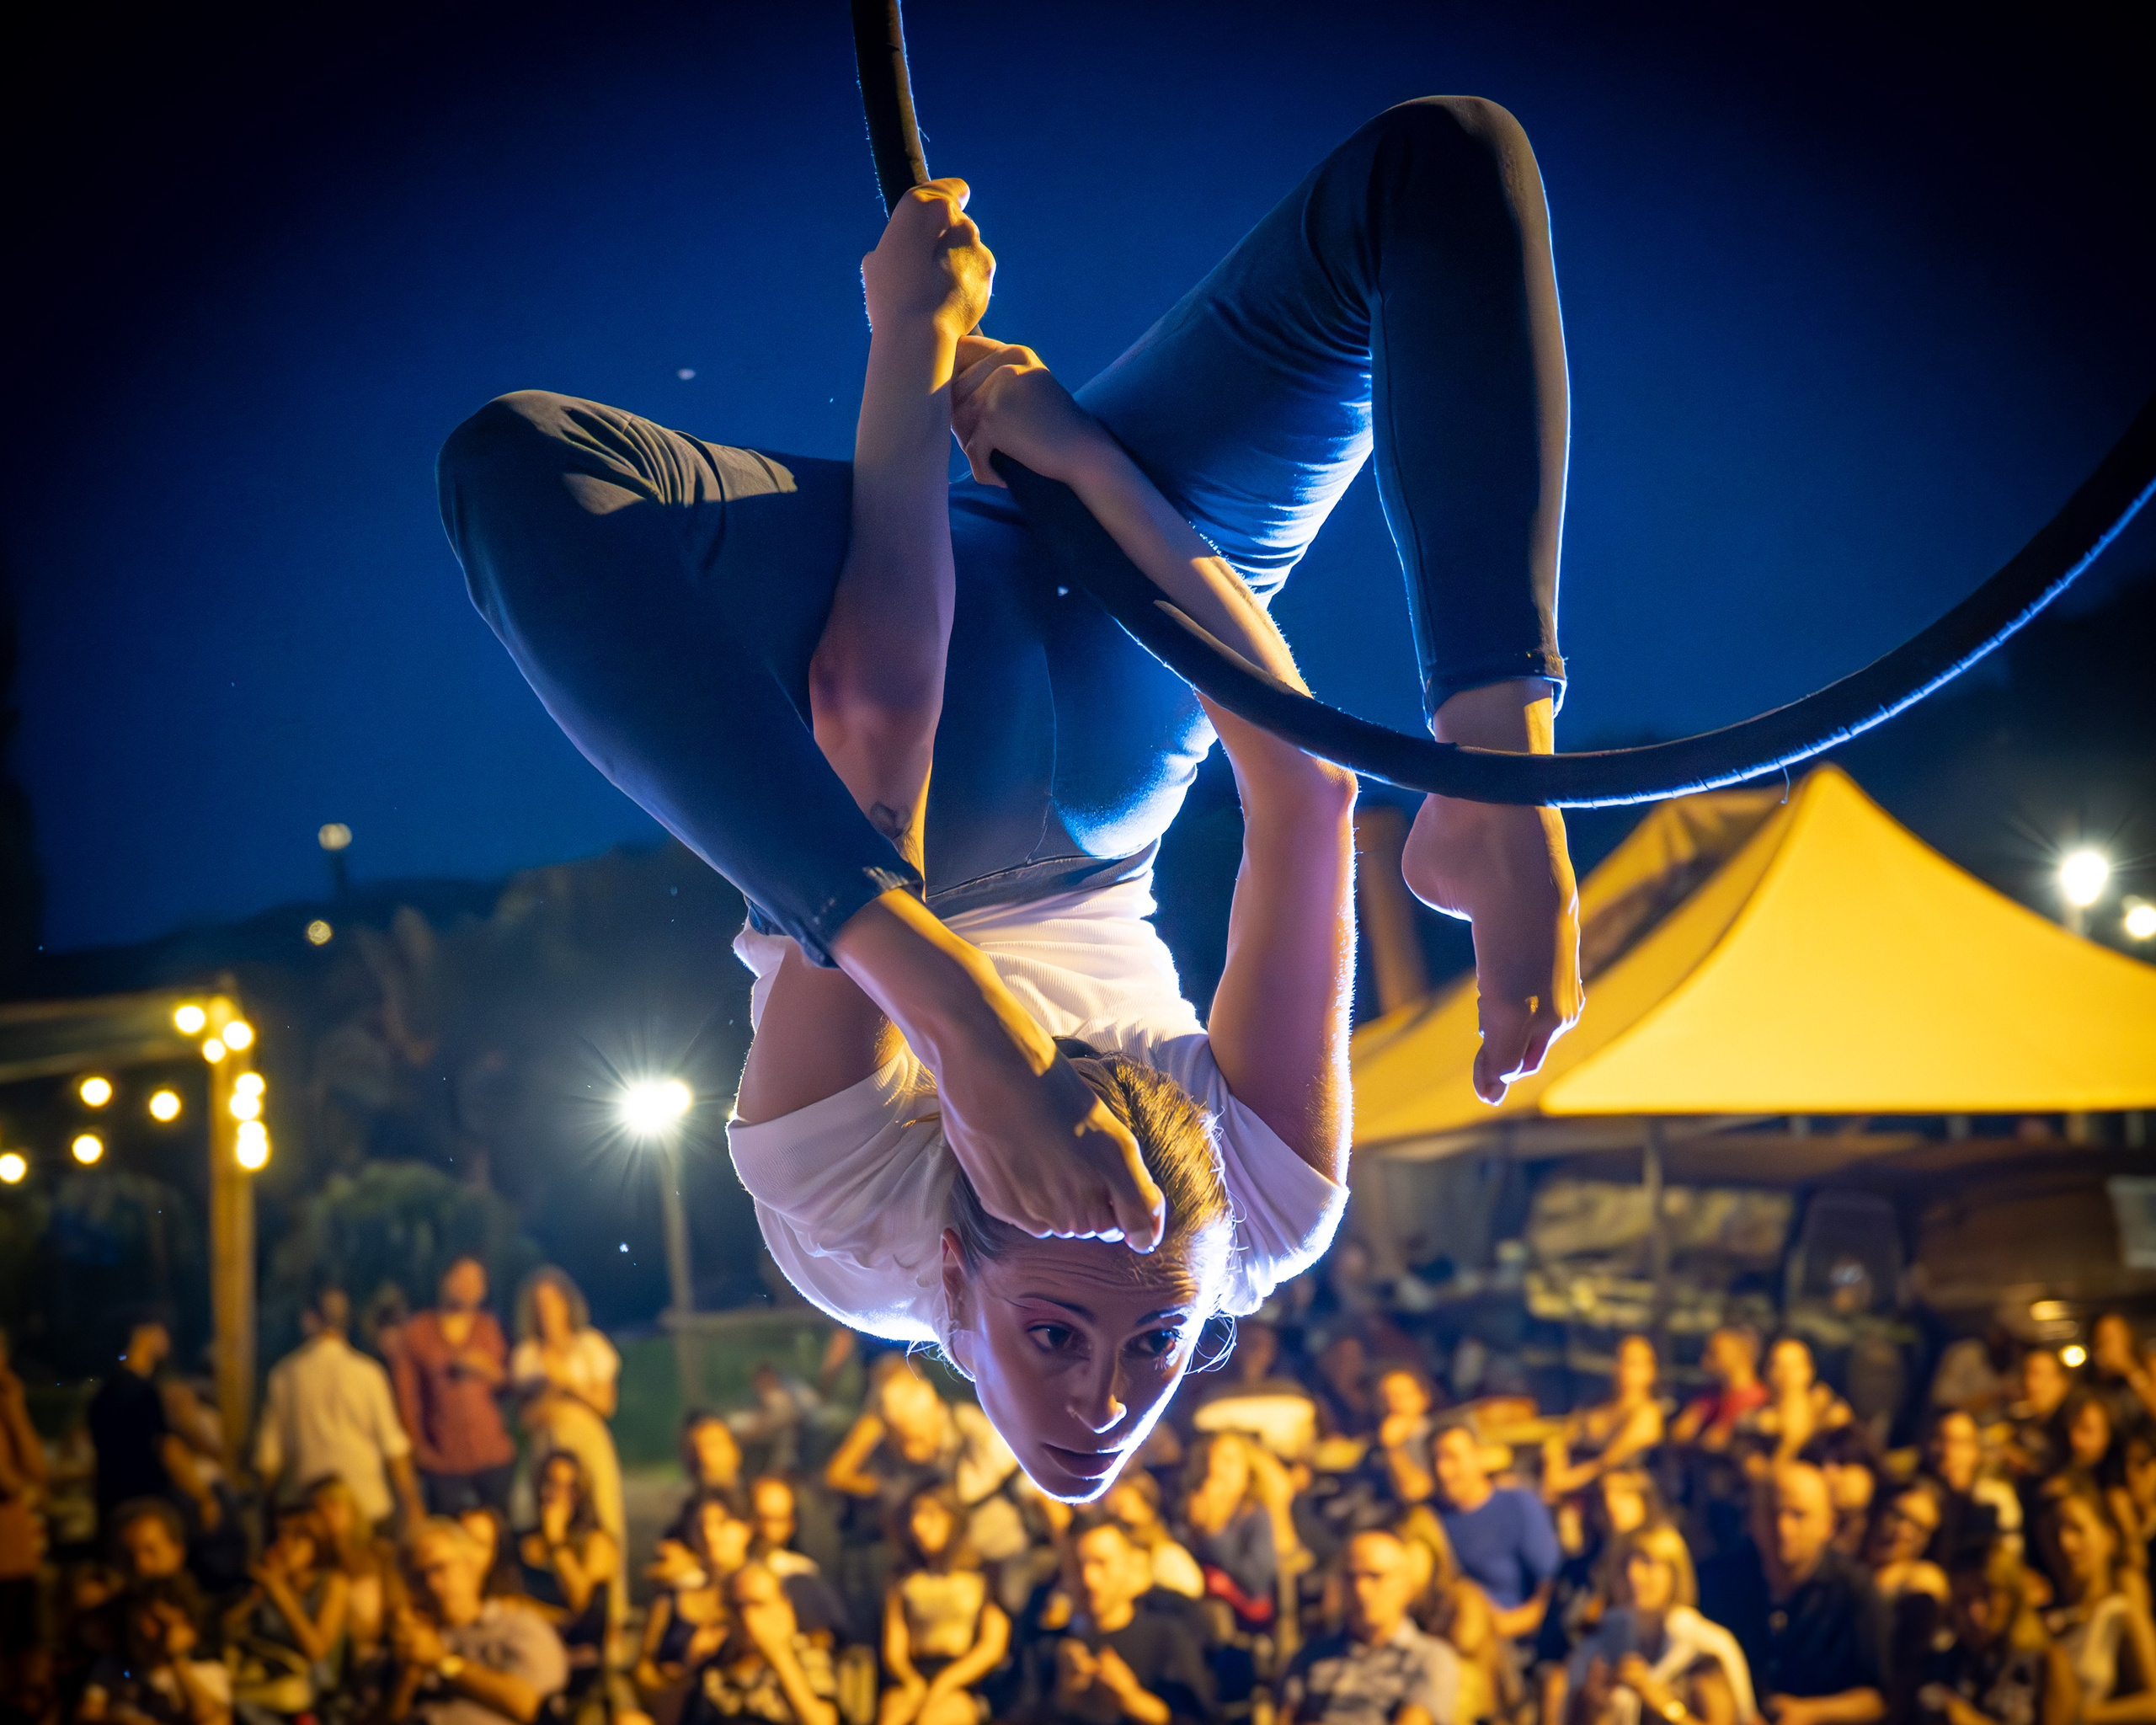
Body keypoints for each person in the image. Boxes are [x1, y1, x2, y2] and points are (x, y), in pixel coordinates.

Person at [442, 96, 1591, 1487]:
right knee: (1445, 163)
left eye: (1051, 1332)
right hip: (1127, 663)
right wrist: (1083, 464)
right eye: (1161, 1340)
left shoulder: (857, 1239)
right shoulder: (1262, 1222)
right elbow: (1302, 786)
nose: (1110, 1402)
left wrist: (913, 366)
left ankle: (927, 953)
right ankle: (1502, 755)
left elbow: (875, 740)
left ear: (956, 1278)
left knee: (517, 467)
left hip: (895, 730)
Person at [1696, 1464, 1886, 1725]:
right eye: (1772, 1512)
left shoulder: (1856, 1591)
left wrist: (1810, 1713)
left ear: (1828, 1525)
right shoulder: (1717, 1579)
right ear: (1751, 1520)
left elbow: (1878, 1699)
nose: (1783, 1527)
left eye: (1798, 1515)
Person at [255, 1287, 424, 1532]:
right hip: (366, 1506)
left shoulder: (285, 1375)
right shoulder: (369, 1374)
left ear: (308, 1320)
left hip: (305, 1510)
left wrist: (267, 1511)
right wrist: (412, 1503)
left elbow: (268, 1458)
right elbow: (393, 1447)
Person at [510, 1265, 625, 1621]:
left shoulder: (590, 1346)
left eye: (553, 1301)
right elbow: (525, 1418)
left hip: (588, 1441)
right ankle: (565, 1609)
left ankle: (612, 1616)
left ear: (567, 1303)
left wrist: (566, 1383)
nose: (547, 1310)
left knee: (602, 1516)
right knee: (552, 1520)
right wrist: (549, 1394)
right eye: (539, 1303)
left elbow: (605, 1404)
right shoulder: (527, 1355)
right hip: (548, 1443)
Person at [1560, 1524, 1754, 1725]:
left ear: (1675, 1571)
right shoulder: (1599, 1646)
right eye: (1624, 1564)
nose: (1633, 1575)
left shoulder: (1706, 1648)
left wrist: (1662, 1704)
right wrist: (1596, 1707)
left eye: (1647, 1562)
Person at [385, 1516, 568, 1725]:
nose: (431, 1583)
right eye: (418, 1576)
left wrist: (443, 1662)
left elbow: (526, 1705)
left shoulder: (518, 1627)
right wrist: (407, 1679)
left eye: (439, 1568)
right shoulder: (403, 1646)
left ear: (470, 1566)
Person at [1280, 1528, 1460, 1725]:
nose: (1361, 1589)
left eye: (1375, 1576)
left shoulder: (1430, 1658)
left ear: (1406, 1587)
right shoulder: (1310, 1655)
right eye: (1350, 1577)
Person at [1046, 1519, 1218, 1725]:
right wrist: (1064, 1696)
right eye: (1076, 1566)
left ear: (1129, 1564)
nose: (1089, 1579)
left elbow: (1200, 1716)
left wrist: (1132, 1700)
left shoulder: (1167, 1637)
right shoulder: (1047, 1646)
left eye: (1101, 1563)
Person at [394, 1256, 519, 1518]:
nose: (468, 1287)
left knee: (498, 1536)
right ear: (445, 1281)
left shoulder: (489, 1328)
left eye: (476, 1281)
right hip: (444, 1463)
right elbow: (406, 1399)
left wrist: (488, 1371)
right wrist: (421, 1451)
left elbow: (511, 1385)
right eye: (462, 1279)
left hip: (493, 1456)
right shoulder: (418, 1332)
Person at [878, 1484, 1009, 1725]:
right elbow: (894, 1647)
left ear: (954, 1518)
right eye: (914, 1515)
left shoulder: (982, 1575)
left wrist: (946, 1682)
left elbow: (992, 1647)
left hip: (963, 1682)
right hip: (914, 1678)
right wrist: (911, 1681)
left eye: (930, 1514)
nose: (919, 1525)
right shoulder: (903, 1579)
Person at [88, 1315, 221, 1540]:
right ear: (144, 1335)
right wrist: (203, 1497)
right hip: (147, 1510)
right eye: (162, 1330)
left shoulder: (103, 1393)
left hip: (112, 1507)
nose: (167, 1339)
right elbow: (166, 1447)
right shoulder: (142, 1391)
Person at [1919, 1541, 2076, 1725]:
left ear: (2012, 1595)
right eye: (1963, 1601)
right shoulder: (1941, 1666)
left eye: (1987, 1595)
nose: (1975, 1612)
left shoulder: (2046, 1663)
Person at [1432, 1423, 1562, 1642]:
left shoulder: (1519, 1505)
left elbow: (1552, 1584)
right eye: (1435, 1459)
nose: (1442, 1470)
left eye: (1452, 1458)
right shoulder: (1430, 1519)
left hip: (1516, 1640)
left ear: (1479, 1458)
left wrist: (1510, 1625)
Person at [2037, 1484, 2156, 1725]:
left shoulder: (2118, 1610)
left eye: (2077, 1529)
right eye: (2055, 1532)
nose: (2065, 1543)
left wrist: (2082, 1717)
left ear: (2108, 1539)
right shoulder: (2045, 1618)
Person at [220, 1501, 347, 1717]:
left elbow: (316, 1651)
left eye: (295, 1538)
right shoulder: (269, 1578)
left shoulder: (333, 1583)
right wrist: (258, 1593)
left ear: (316, 1544)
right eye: (279, 1535)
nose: (283, 1544)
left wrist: (278, 1592)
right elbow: (228, 1627)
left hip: (311, 1689)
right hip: (263, 1680)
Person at [515, 1449, 618, 1707]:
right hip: (521, 1657)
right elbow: (506, 1603)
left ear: (581, 1493)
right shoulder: (519, 1542)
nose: (557, 1494)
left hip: (577, 1664)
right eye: (551, 1482)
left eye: (569, 1486)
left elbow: (580, 1602)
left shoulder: (597, 1542)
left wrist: (557, 1542)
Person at [78, 1578, 232, 1725]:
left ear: (190, 1630)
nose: (145, 1630)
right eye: (139, 1620)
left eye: (157, 1623)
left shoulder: (208, 1672)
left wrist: (172, 1656)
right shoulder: (114, 1667)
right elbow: (86, 1717)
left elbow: (212, 1719)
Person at [1178, 1432, 1279, 1631]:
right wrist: (1192, 1529)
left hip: (1242, 1622)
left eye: (1228, 1461)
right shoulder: (1194, 1508)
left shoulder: (1256, 1516)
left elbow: (1255, 1581)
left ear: (1246, 1471)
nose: (1217, 1469)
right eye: (1212, 1459)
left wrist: (1213, 1530)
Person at [1546, 1337, 1666, 1501]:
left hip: (1618, 1496)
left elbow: (1608, 1462)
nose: (1625, 1369)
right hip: (1572, 1486)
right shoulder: (1594, 1406)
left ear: (1651, 1372)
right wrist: (1554, 1462)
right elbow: (1561, 1441)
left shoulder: (1648, 1413)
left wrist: (1564, 1481)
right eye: (1621, 1360)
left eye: (1634, 1363)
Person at [0, 1323, 49, 1708]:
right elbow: (11, 1483)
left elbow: (36, 1470)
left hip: (19, 1560)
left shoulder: (5, 1404)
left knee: (27, 1668)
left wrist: (15, 1406)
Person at [1737, 1339, 1850, 1477]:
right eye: (1778, 1366)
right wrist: (1791, 1441)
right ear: (1767, 1372)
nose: (1786, 1374)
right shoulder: (1754, 1423)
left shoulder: (1831, 1413)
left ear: (1809, 1370)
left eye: (1794, 1366)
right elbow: (1761, 1477)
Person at [1102, 1473, 1205, 1599]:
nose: (1114, 1521)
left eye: (1120, 1508)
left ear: (1147, 1509)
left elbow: (1190, 1596)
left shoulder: (1166, 1556)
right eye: (1110, 1511)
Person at [1671, 1331, 1769, 1455]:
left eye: (1714, 1353)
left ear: (1742, 1353)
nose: (1705, 1362)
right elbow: (1680, 1434)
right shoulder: (1710, 1398)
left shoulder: (1761, 1401)